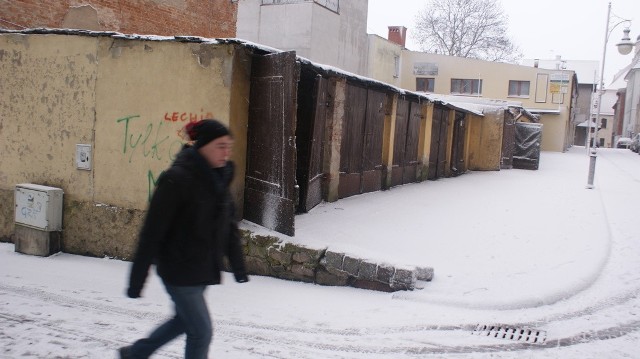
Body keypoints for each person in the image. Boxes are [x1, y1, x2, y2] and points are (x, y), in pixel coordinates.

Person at [120, 119, 249, 359]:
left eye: (228, 146)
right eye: (221, 146)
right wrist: (137, 280)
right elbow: (151, 232)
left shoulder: (218, 180)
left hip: (201, 269)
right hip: (178, 271)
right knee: (201, 332)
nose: (227, 152)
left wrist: (238, 266)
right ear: (203, 146)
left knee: (183, 321)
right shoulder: (176, 179)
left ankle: (135, 354)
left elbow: (228, 226)